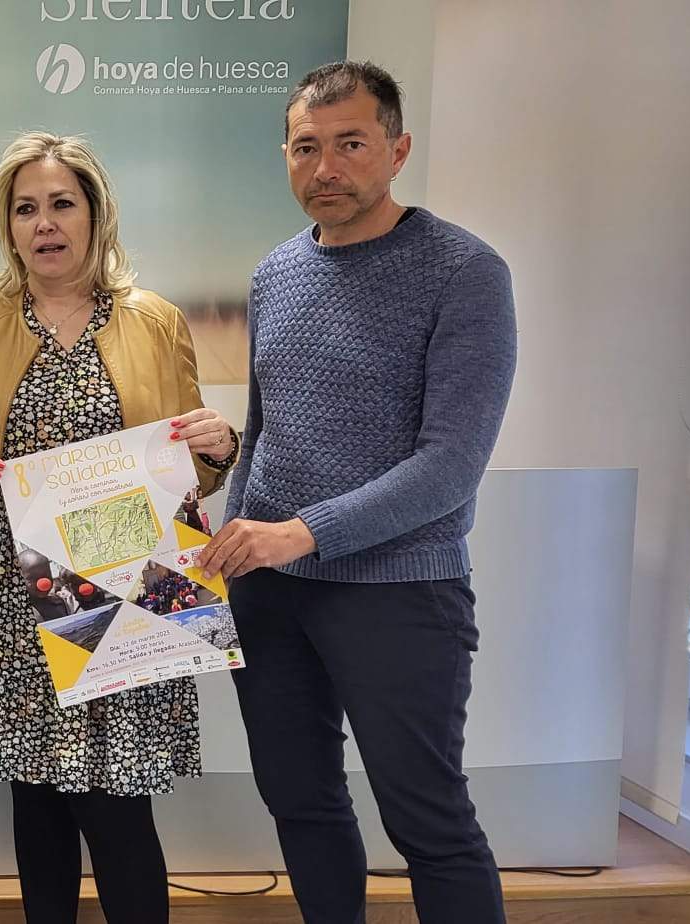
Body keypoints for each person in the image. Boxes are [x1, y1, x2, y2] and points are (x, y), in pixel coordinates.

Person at [199, 60, 517, 924]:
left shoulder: (466, 272)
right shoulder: (274, 274)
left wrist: (300, 532)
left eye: (350, 145)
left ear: (397, 148)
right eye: (307, 147)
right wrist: (235, 545)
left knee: (430, 822)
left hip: (402, 593)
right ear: (286, 154)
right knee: (299, 802)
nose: (326, 169)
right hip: (270, 594)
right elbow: (265, 431)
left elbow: (451, 463)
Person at [0, 131, 237, 924]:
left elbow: (189, 465)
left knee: (118, 805)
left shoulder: (155, 322)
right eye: (26, 209)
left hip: (126, 593)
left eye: (61, 204)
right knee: (39, 802)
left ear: (95, 215)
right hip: (11, 602)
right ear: (8, 225)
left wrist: (220, 451)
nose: (44, 223)